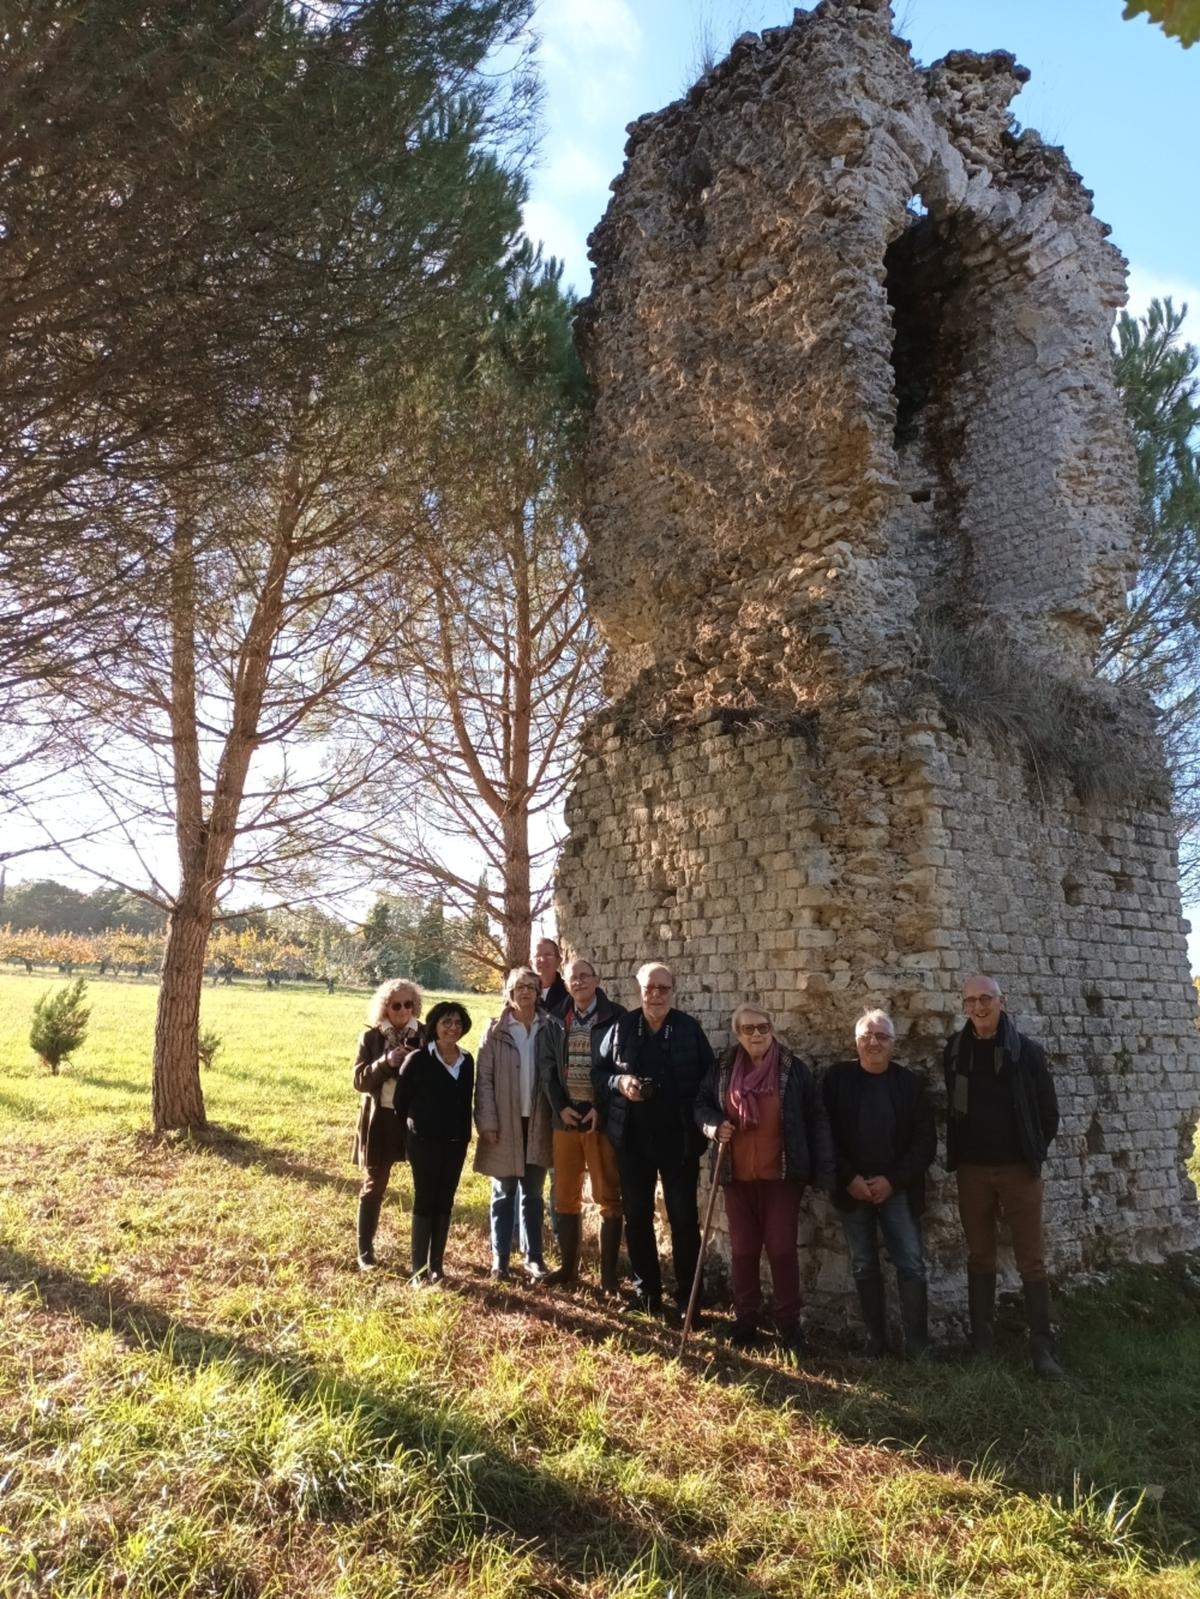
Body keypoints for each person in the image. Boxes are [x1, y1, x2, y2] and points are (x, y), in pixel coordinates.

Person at [944, 974, 1064, 1381]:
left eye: (986, 999)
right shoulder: (956, 1051)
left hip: (1018, 1170)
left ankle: (1041, 1348)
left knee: (1031, 1259)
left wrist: (1031, 1152)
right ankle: (982, 1343)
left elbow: (1048, 1113)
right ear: (963, 1005)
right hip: (973, 1171)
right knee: (980, 1255)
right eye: (971, 1000)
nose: (979, 1007)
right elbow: (954, 1106)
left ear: (1001, 1001)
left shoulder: (1025, 1052)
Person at [696, 1003, 835, 1352]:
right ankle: (746, 1322)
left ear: (772, 1028)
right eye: (748, 1029)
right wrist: (713, 1125)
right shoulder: (724, 1067)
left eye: (763, 1027)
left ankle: (789, 1326)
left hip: (782, 1177)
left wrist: (823, 1169)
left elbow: (815, 1117)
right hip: (736, 1175)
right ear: (737, 1034)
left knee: (781, 1250)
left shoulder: (793, 1068)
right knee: (743, 1251)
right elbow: (700, 1104)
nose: (757, 1034)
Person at [594, 961, 714, 1321]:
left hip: (679, 1143)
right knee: (638, 1216)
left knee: (683, 1220)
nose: (656, 995)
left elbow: (709, 1081)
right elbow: (600, 1073)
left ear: (672, 991)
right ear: (639, 990)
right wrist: (621, 1084)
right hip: (632, 1141)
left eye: (663, 988)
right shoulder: (622, 1027)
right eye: (650, 988)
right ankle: (647, 1292)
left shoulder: (688, 1029)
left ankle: (689, 1300)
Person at [822, 1010, 936, 1358]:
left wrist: (892, 1181)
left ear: (894, 1044)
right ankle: (876, 1341)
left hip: (897, 1189)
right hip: (852, 1188)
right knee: (863, 1264)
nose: (873, 1042)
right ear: (855, 1042)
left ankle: (917, 1345)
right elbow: (825, 1134)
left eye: (881, 1037)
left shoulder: (910, 1084)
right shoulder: (836, 1080)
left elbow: (925, 1142)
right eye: (866, 1036)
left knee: (911, 1264)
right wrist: (848, 1178)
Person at [536, 957, 626, 1291]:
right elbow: (547, 1068)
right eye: (573, 978)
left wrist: (599, 1109)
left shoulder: (616, 1017)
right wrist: (560, 1107)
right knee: (564, 1196)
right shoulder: (556, 1018)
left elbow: (620, 1066)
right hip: (566, 1120)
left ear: (597, 979)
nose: (578, 982)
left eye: (585, 977)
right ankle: (568, 1269)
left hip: (598, 1121)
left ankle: (608, 1278)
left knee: (608, 1196)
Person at [474, 966, 554, 1280]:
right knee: (504, 1192)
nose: (525, 992)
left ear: (538, 993)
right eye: (518, 987)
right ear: (509, 993)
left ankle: (534, 1256)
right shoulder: (495, 1031)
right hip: (504, 1123)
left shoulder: (549, 1028)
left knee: (533, 1193)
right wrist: (487, 1123)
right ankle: (500, 1259)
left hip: (538, 1121)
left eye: (531, 988)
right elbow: (484, 1082)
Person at [392, 1000, 474, 1286]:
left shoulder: (467, 1060)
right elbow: (400, 1101)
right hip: (424, 1142)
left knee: (445, 1200)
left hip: (455, 1143)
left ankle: (436, 1265)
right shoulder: (417, 1060)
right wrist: (418, 1127)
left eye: (457, 1023)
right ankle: (418, 1270)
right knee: (425, 1198)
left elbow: (465, 1102)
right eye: (446, 1022)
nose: (452, 1028)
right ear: (435, 1026)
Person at [351, 978, 424, 1270]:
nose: (403, 1010)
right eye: (397, 1005)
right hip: (380, 1118)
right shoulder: (370, 1038)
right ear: (385, 1007)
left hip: (416, 1120)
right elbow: (360, 1081)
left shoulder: (425, 1034)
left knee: (425, 1185)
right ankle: (365, 1251)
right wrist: (386, 1061)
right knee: (374, 1185)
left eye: (409, 1004)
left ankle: (423, 1253)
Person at [534, 936, 569, 1017]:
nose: (542, 960)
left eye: (548, 955)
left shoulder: (569, 992)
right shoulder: (523, 993)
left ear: (558, 961)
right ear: (530, 962)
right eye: (537, 956)